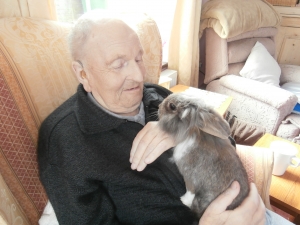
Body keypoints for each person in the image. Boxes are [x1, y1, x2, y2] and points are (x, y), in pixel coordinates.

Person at [37, 10, 293, 225]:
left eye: (139, 58)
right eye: (118, 64)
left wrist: (183, 130)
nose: (139, 76)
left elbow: (226, 136)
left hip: (252, 211)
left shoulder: (156, 95)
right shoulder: (65, 139)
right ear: (82, 74)